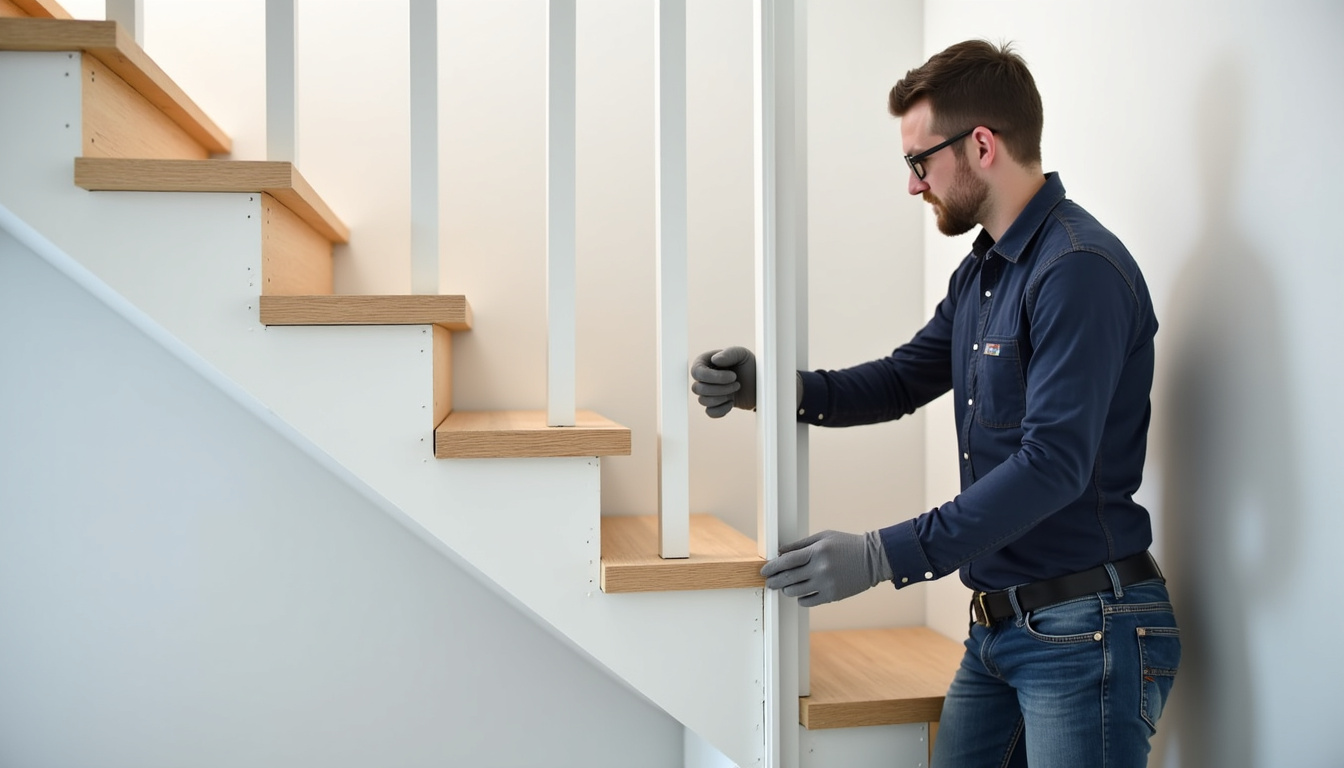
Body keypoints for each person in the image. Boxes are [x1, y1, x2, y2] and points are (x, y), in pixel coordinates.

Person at [691, 40, 1179, 767]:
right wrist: (773, 388)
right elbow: (901, 380)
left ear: (981, 145)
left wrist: (881, 555)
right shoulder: (983, 273)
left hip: (1087, 630)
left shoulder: (1077, 269)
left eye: (920, 161)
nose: (913, 185)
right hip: (1000, 628)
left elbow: (1053, 465)